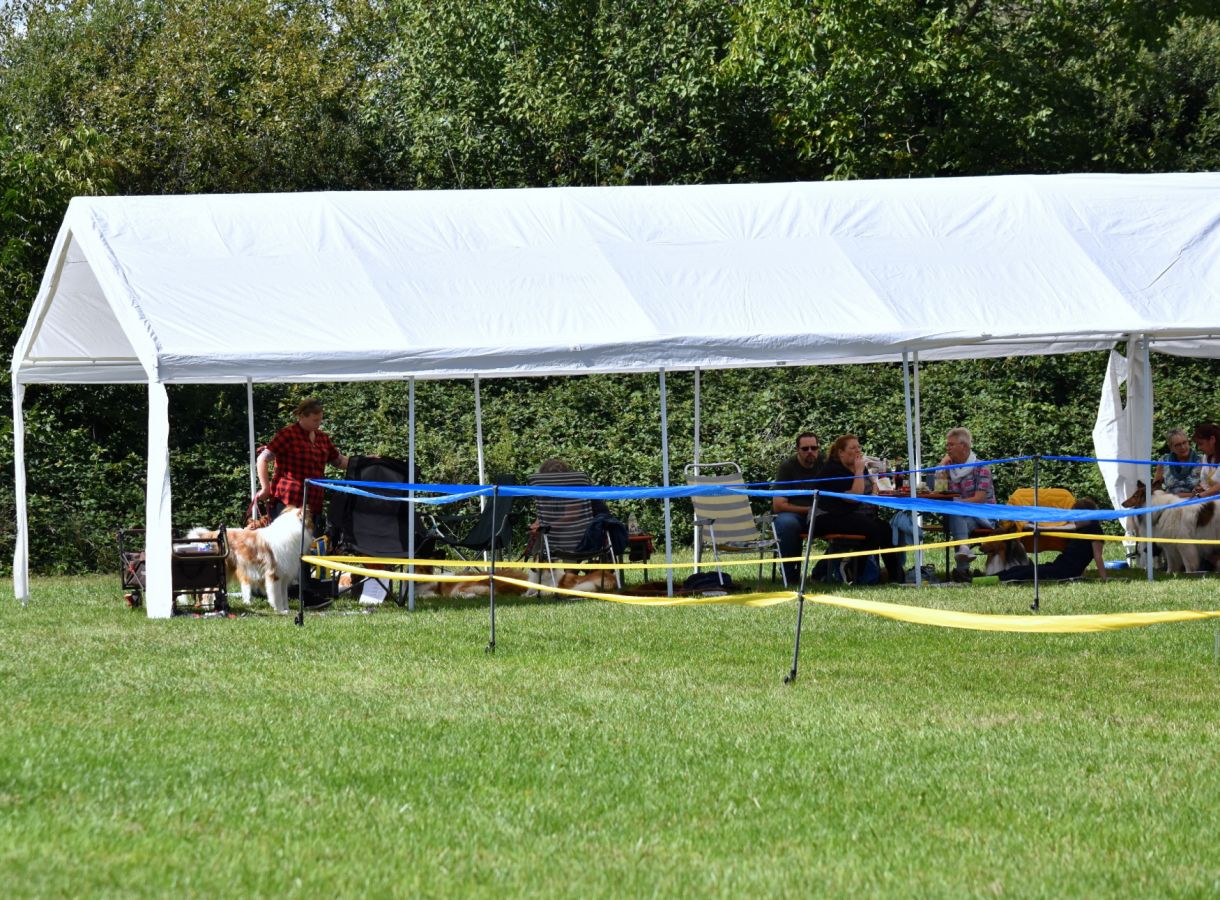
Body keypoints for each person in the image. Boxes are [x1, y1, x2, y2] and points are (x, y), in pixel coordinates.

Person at [816, 435, 905, 584]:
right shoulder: (833, 470)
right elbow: (854, 497)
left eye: (858, 447)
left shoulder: (859, 467)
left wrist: (872, 480)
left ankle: (896, 577)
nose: (857, 450)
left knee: (884, 528)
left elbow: (871, 490)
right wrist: (858, 471)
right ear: (841, 453)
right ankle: (852, 569)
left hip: (850, 514)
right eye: (852, 448)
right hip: (826, 516)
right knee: (871, 529)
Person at [256, 397, 350, 529]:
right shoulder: (287, 435)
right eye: (315, 420)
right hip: (287, 502)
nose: (318, 423)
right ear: (301, 417)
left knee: (308, 541)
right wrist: (265, 488)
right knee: (286, 541)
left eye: (320, 419)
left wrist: (364, 462)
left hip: (313, 504)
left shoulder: (322, 438)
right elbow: (262, 458)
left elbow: (339, 461)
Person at [999, 498, 1107, 582]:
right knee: (1021, 569)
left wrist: (1104, 578)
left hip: (1065, 572)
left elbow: (1097, 556)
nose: (1074, 519)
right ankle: (995, 576)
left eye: (1077, 516)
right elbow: (1066, 529)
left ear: (1087, 515)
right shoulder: (1081, 527)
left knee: (1027, 573)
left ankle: (997, 579)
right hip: (1059, 565)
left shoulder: (1095, 529)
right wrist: (1039, 528)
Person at [771, 432, 825, 584]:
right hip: (792, 513)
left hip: (820, 513)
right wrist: (809, 509)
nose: (810, 452)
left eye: (814, 448)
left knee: (847, 521)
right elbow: (779, 505)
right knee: (787, 523)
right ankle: (789, 574)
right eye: (805, 449)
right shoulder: (787, 467)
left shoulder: (825, 463)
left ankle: (822, 572)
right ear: (797, 450)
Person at [1153, 428, 1201, 496]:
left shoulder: (1201, 460)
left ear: (1188, 442)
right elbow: (1155, 487)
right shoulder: (1164, 460)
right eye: (1178, 445)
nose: (1183, 447)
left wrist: (1183, 496)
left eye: (1184, 442)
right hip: (1169, 500)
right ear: (1171, 447)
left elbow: (1205, 489)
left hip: (1194, 500)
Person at [1192, 423, 1220, 498]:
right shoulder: (1206, 457)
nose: (1199, 448)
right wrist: (1200, 489)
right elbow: (1205, 483)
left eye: (1201, 444)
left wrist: (1200, 496)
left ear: (1212, 439)